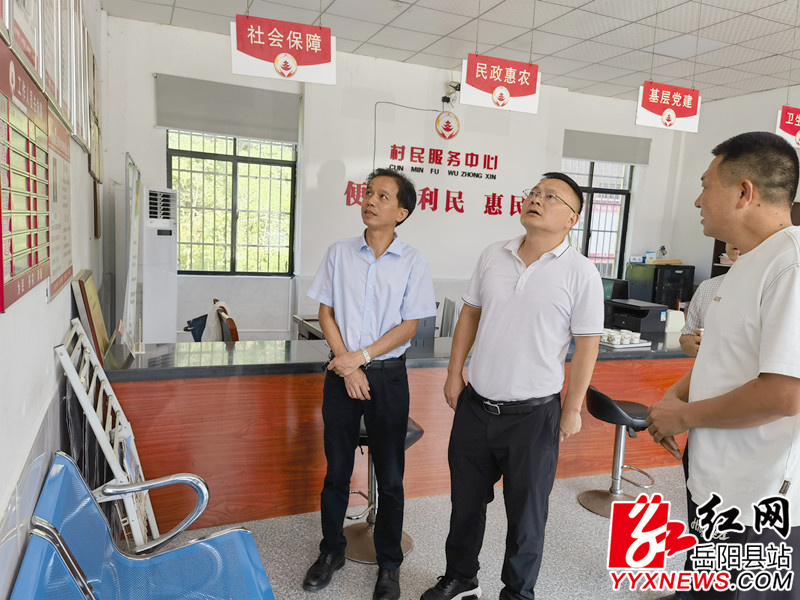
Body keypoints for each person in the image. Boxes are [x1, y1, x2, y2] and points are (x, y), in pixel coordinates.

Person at [420, 173, 604, 600]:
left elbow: (587, 345)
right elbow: (470, 313)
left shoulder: (581, 272)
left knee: (527, 514)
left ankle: (518, 593)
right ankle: (461, 577)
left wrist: (572, 408)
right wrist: (453, 373)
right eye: (534, 193)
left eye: (550, 197)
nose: (537, 199)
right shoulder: (494, 254)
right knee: (465, 504)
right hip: (476, 406)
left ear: (572, 219)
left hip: (534, 416)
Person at [648, 132, 800, 599]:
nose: (698, 200)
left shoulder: (790, 266)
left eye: (705, 185)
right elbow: (727, 357)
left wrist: (684, 415)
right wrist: (676, 396)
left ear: (744, 192)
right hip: (717, 484)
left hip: (758, 504)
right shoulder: (747, 265)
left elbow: (784, 394)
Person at [304, 168, 436, 600]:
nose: (370, 201)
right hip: (341, 374)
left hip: (388, 378)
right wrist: (347, 365)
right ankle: (331, 551)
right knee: (336, 472)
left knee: (392, 477)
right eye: (368, 193)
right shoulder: (340, 252)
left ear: (401, 212)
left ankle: (389, 564)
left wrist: (359, 359)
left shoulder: (413, 262)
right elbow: (325, 314)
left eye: (382, 196)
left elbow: (408, 326)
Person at [678, 243, 739, 356]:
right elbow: (685, 339)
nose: (735, 241)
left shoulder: (769, 288)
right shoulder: (707, 287)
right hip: (709, 365)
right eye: (730, 236)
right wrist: (697, 345)